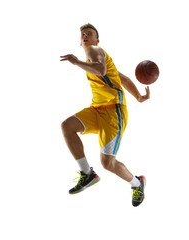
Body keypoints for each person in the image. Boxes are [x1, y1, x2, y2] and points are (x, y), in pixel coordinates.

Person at [60, 23, 150, 207]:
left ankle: (137, 183)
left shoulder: (95, 50)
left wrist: (76, 62)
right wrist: (139, 97)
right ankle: (87, 174)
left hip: (113, 112)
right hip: (97, 108)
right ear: (80, 42)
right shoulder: (95, 57)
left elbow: (100, 71)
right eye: (82, 34)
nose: (85, 36)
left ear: (96, 40)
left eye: (90, 33)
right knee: (67, 126)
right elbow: (122, 78)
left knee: (108, 163)